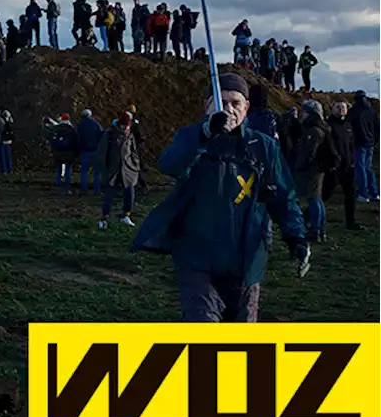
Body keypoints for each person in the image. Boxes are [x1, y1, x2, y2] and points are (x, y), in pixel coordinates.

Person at [132, 73, 308, 323]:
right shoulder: (191, 137)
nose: (229, 110)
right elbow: (170, 164)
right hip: (198, 256)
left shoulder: (263, 146)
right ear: (207, 106)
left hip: (246, 259)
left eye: (236, 103)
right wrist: (205, 133)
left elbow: (284, 196)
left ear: (246, 108)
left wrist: (295, 235)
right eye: (220, 102)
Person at [294, 99, 333, 242]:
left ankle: (316, 229)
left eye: (304, 111)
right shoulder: (321, 127)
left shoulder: (314, 130)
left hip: (313, 169)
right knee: (317, 199)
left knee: (314, 199)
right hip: (318, 168)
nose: (301, 114)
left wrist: (301, 165)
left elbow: (310, 151)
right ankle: (319, 229)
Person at [324, 101, 364, 231]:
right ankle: (307, 217)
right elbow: (329, 146)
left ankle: (351, 222)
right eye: (338, 107)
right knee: (325, 194)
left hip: (348, 166)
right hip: (335, 167)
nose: (341, 109)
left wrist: (352, 160)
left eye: (343, 107)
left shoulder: (348, 125)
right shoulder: (329, 125)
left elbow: (351, 145)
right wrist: (332, 162)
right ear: (332, 109)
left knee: (350, 194)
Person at [96, 111, 140, 228]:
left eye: (127, 126)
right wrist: (104, 169)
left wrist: (136, 165)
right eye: (124, 125)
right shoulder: (109, 134)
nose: (126, 128)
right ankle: (104, 218)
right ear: (119, 124)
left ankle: (126, 215)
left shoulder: (130, 135)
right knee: (109, 196)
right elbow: (102, 153)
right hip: (112, 170)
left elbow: (134, 152)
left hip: (128, 169)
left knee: (129, 194)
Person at [348, 89, 379, 202]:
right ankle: (374, 193)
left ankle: (363, 194)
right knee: (368, 167)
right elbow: (377, 126)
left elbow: (349, 124)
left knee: (360, 168)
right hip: (370, 143)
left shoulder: (354, 111)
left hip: (359, 142)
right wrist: (375, 140)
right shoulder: (371, 110)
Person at [47, 114, 79, 193]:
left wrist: (53, 150)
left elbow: (52, 140)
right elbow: (75, 142)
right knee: (68, 169)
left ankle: (58, 184)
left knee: (59, 169)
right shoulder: (71, 129)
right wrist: (75, 152)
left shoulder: (56, 128)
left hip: (58, 152)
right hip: (69, 152)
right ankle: (67, 185)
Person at [76, 109, 104, 195]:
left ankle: (84, 190)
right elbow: (101, 135)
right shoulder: (96, 124)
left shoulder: (80, 125)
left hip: (84, 151)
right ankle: (97, 190)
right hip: (95, 150)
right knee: (97, 172)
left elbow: (77, 138)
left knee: (84, 171)